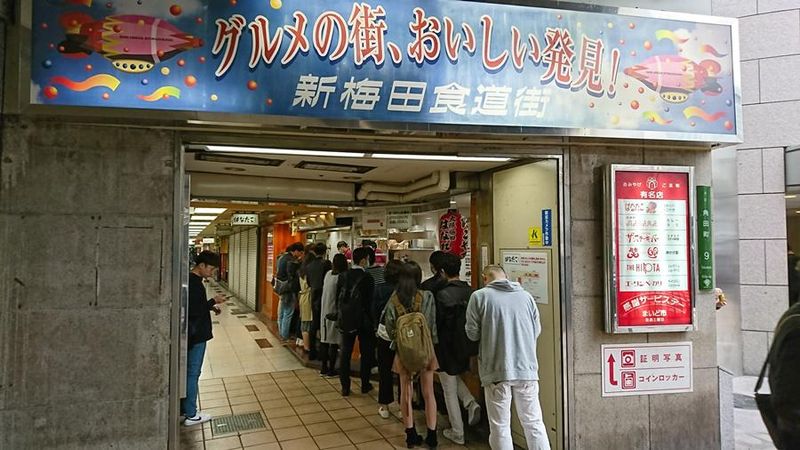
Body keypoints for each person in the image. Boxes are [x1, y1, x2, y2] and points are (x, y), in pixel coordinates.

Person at [466, 265, 550, 450]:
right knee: (534, 422)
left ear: (485, 277)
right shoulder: (526, 297)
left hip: (496, 370)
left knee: (500, 426)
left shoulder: (479, 297)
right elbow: (536, 330)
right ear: (506, 276)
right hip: (526, 369)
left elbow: (472, 334)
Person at [384, 261, 439, 448]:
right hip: (426, 350)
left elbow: (390, 329)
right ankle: (432, 436)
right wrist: (430, 346)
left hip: (403, 352)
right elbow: (431, 326)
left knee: (405, 392)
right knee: (428, 392)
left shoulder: (394, 300)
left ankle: (410, 435)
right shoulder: (427, 296)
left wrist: (401, 343)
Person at [434, 252, 482, 445]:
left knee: (448, 389)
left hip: (446, 347)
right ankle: (470, 402)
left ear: (442, 272)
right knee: (453, 379)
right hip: (467, 345)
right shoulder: (472, 292)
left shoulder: (442, 294)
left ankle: (458, 432)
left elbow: (437, 325)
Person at [182, 251, 227, 426]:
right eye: (211, 269)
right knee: (193, 373)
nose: (213, 272)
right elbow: (194, 310)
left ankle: (185, 408)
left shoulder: (191, 281)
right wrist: (213, 301)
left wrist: (211, 306)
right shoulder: (194, 283)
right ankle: (191, 414)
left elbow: (195, 306)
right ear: (201, 265)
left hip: (193, 334)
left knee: (189, 372)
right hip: (197, 335)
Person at [336, 246, 376, 396]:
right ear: (364, 260)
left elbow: (338, 298)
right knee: (366, 353)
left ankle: (345, 387)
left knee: (345, 352)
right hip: (364, 320)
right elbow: (370, 302)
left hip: (347, 318)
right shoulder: (368, 278)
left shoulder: (343, 276)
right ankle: (365, 384)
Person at [373, 259, 404, 419]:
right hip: (402, 335)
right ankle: (402, 407)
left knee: (384, 369)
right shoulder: (405, 291)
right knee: (402, 371)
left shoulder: (379, 289)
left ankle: (384, 406)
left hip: (384, 333)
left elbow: (374, 310)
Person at [320, 253, 347, 377]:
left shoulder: (328, 274)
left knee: (325, 340)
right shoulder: (341, 277)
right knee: (334, 342)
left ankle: (323, 368)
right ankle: (331, 369)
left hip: (324, 310)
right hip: (334, 311)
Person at [306, 242, 330, 360]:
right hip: (324, 295)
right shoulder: (326, 264)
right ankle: (323, 353)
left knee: (314, 323)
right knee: (324, 324)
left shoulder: (309, 265)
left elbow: (309, 282)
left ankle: (312, 351)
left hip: (313, 295)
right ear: (325, 252)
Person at [276, 242, 304, 342]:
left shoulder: (282, 257)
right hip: (288, 289)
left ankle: (281, 333)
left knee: (282, 312)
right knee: (288, 312)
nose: (301, 255)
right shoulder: (291, 261)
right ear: (296, 251)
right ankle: (285, 335)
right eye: (300, 252)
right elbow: (292, 277)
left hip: (280, 287)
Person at [298, 246, 317, 353]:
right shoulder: (310, 272)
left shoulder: (301, 271)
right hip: (309, 297)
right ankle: (308, 346)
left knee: (304, 322)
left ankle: (306, 346)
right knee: (308, 323)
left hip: (303, 297)